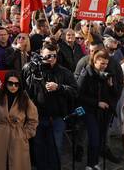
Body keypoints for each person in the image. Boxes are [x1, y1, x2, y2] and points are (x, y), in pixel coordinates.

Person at [22, 42, 77, 170]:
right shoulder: (34, 69)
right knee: (38, 147)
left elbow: (75, 91)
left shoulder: (64, 72)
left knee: (56, 147)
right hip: (37, 117)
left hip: (57, 117)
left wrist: (59, 87)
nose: (50, 59)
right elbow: (24, 87)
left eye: (53, 56)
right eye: (47, 56)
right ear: (41, 55)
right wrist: (32, 66)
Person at [0, 71, 38, 170]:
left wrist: (25, 134)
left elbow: (33, 119)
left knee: (18, 165)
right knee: (0, 164)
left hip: (18, 137)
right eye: (10, 83)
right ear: (5, 83)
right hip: (0, 136)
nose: (13, 86)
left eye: (16, 84)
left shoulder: (25, 98)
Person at [77, 50, 115, 170]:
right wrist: (97, 103)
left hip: (101, 110)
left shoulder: (104, 74)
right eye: (102, 63)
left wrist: (110, 86)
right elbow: (78, 95)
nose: (104, 66)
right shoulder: (86, 74)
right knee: (94, 137)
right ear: (94, 61)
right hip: (88, 110)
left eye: (106, 63)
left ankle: (94, 162)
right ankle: (89, 164)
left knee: (99, 137)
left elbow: (109, 94)